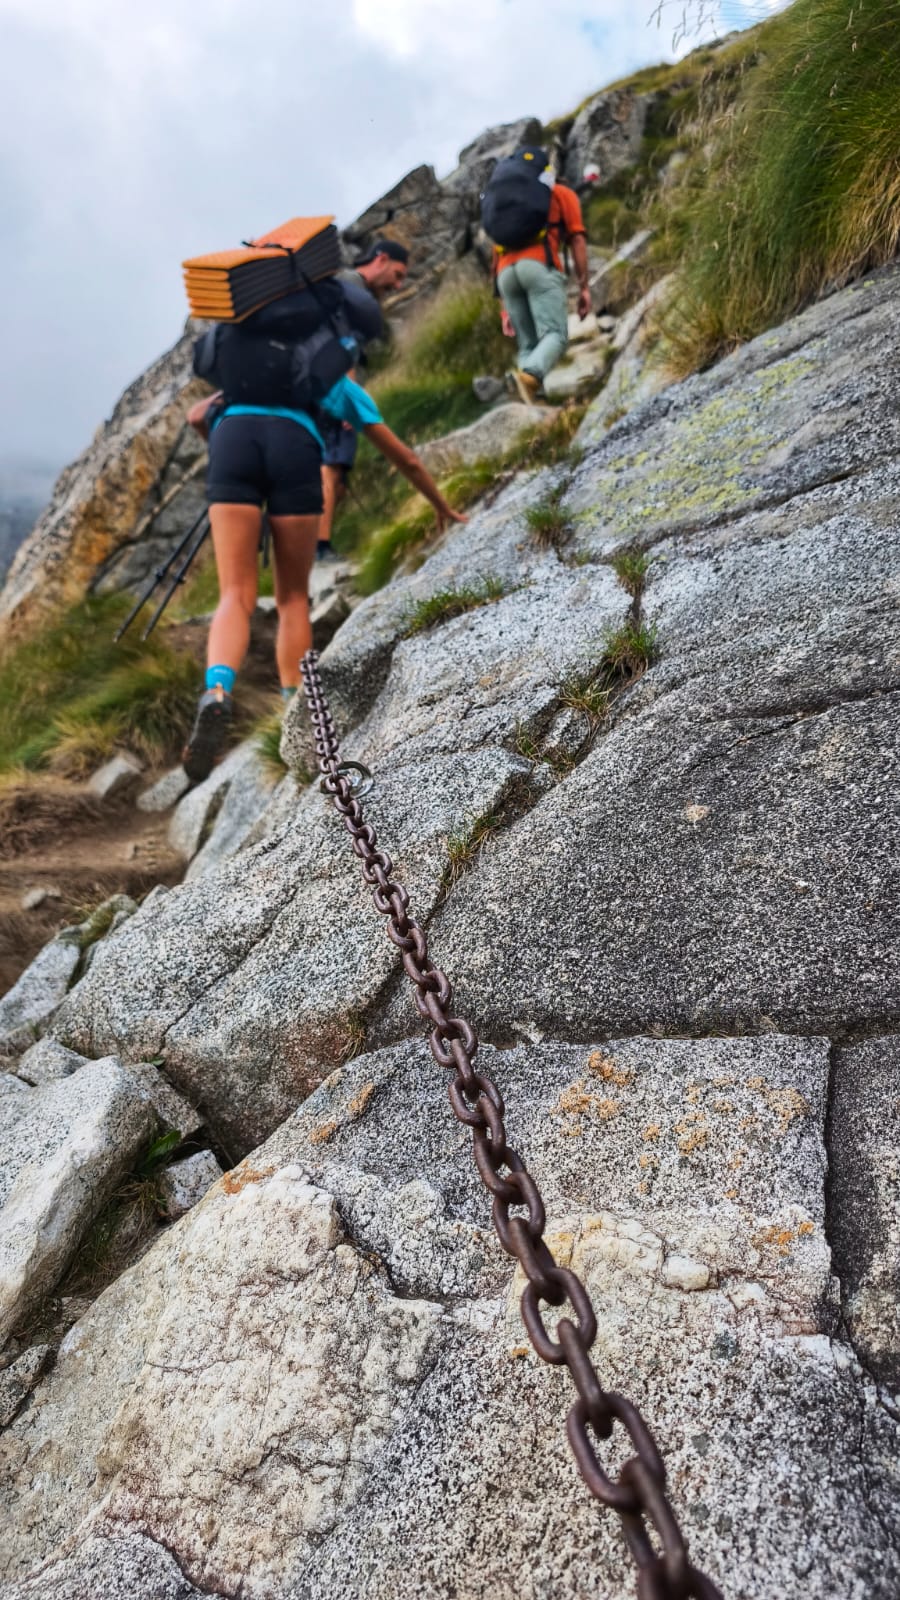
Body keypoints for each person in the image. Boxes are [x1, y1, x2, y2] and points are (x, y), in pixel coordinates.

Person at [182, 359, 464, 783]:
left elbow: (196, 415)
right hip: (297, 451)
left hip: (233, 443)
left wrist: (225, 454)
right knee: (292, 598)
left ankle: (218, 689)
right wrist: (442, 506)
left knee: (234, 595)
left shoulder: (251, 373)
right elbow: (404, 457)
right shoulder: (335, 381)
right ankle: (296, 714)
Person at [317, 238, 410, 563]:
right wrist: (349, 396)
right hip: (336, 388)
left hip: (314, 388)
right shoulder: (352, 288)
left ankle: (315, 542)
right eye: (397, 275)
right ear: (380, 259)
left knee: (332, 471)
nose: (397, 285)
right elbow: (345, 345)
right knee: (332, 466)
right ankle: (321, 547)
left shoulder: (336, 283)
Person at [489, 149, 591, 405]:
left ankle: (533, 402)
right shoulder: (560, 193)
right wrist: (584, 287)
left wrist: (503, 309)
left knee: (527, 345)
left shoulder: (509, 204)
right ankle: (529, 377)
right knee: (555, 335)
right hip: (538, 266)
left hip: (506, 275)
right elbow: (577, 239)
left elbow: (495, 256)